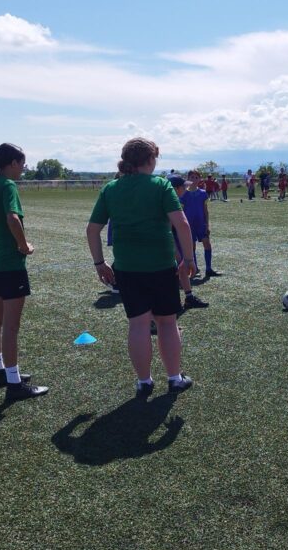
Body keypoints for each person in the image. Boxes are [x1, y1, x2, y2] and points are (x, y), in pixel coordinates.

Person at [86, 138, 195, 396]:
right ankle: (174, 378)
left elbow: (92, 230)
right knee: (167, 323)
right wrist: (188, 259)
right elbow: (182, 224)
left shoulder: (111, 189)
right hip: (161, 266)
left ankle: (144, 382)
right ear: (150, 159)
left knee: (138, 325)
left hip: (127, 267)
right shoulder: (160, 185)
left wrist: (99, 263)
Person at [0, 143, 48, 400]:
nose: (23, 168)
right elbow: (12, 218)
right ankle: (14, 383)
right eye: (22, 163)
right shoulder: (7, 185)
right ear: (13, 163)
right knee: (11, 326)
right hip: (11, 264)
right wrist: (23, 245)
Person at [169, 175, 210, 307]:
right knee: (173, 268)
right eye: (183, 186)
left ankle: (189, 297)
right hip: (168, 240)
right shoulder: (169, 203)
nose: (185, 188)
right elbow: (168, 229)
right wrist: (175, 249)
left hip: (175, 237)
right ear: (176, 189)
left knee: (182, 266)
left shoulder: (175, 200)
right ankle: (173, 300)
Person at [185, 170, 221, 281]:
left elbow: (206, 210)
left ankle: (208, 269)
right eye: (192, 177)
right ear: (188, 179)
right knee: (192, 247)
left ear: (200, 179)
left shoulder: (202, 193)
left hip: (201, 224)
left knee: (207, 244)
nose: (194, 179)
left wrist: (207, 225)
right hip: (189, 225)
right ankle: (194, 269)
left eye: (196, 177)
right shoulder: (184, 194)